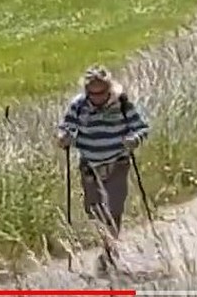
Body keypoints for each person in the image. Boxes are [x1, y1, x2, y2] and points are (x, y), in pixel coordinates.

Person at [56, 66, 150, 273]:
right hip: (90, 166)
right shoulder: (78, 106)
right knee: (94, 211)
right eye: (92, 93)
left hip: (117, 163)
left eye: (101, 93)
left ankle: (108, 253)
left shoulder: (122, 104)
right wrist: (64, 138)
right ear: (86, 91)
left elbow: (142, 127)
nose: (96, 98)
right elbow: (65, 128)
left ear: (108, 89)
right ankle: (107, 244)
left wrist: (134, 140)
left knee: (114, 209)